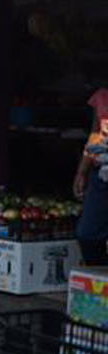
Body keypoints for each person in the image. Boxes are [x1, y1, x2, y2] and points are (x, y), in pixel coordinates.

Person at [76, 89, 108, 266]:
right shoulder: (102, 98)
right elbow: (95, 135)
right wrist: (82, 172)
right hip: (102, 173)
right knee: (87, 233)